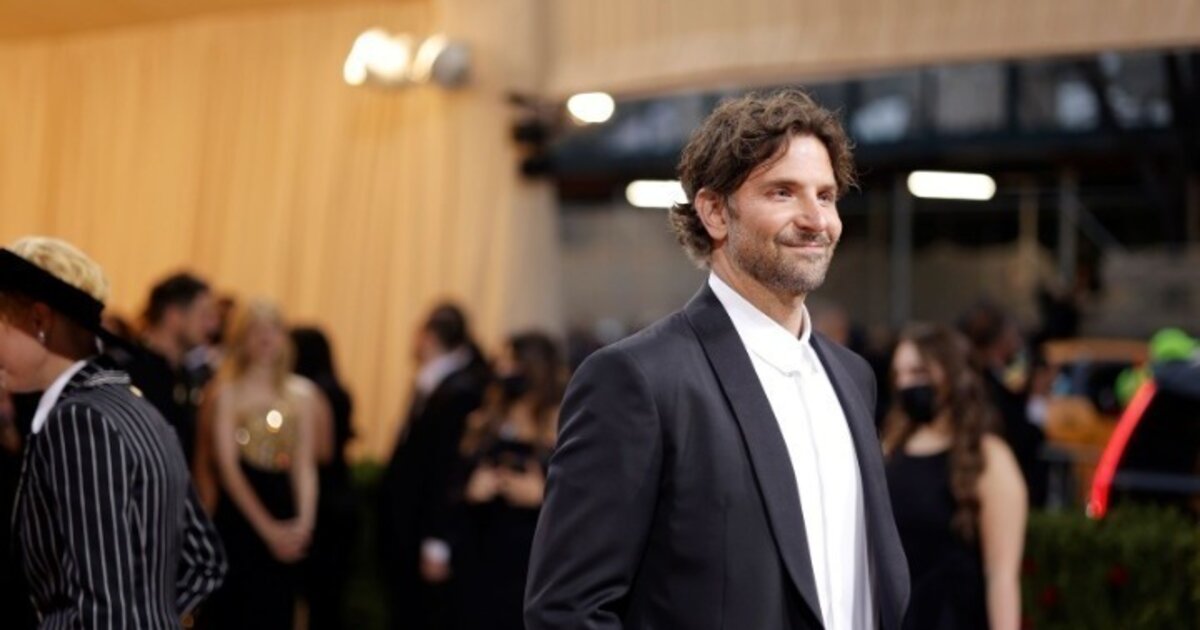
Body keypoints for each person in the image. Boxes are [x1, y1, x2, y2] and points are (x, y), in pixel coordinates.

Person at [525, 89, 909, 630]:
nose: (815, 219)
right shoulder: (637, 380)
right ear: (714, 212)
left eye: (825, 196)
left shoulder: (853, 377)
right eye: (782, 192)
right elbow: (567, 610)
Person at [0, 236, 226, 627]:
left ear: (39, 322)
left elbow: (106, 607)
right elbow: (204, 561)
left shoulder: (78, 420)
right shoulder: (133, 404)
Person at [884, 324, 1027, 630]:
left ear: (951, 374)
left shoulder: (989, 457)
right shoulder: (891, 450)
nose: (906, 384)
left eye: (919, 372)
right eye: (899, 374)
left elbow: (1001, 576)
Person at [203, 300, 320, 630]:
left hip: (283, 506)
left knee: (277, 608)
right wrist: (268, 530)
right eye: (256, 330)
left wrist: (304, 525)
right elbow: (228, 469)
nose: (266, 338)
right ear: (242, 338)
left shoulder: (302, 395)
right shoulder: (227, 393)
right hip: (241, 515)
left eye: (273, 330)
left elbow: (305, 465)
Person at [380, 303, 489, 630]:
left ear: (428, 336)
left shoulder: (459, 390)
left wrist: (436, 539)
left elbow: (446, 470)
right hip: (412, 518)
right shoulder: (437, 381)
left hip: (425, 521)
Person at [453, 332, 564, 630]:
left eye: (510, 361)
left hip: (530, 553)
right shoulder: (486, 416)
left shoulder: (561, 420)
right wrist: (471, 491)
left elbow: (584, 500)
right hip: (482, 542)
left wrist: (543, 497)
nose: (501, 369)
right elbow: (453, 479)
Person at [291, 326, 356, 630]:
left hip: (325, 503)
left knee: (318, 596)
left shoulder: (310, 394)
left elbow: (323, 453)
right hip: (339, 497)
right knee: (327, 597)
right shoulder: (338, 391)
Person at [121, 272, 220, 467]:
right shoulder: (127, 371)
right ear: (174, 315)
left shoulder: (193, 377)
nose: (213, 325)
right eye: (204, 315)